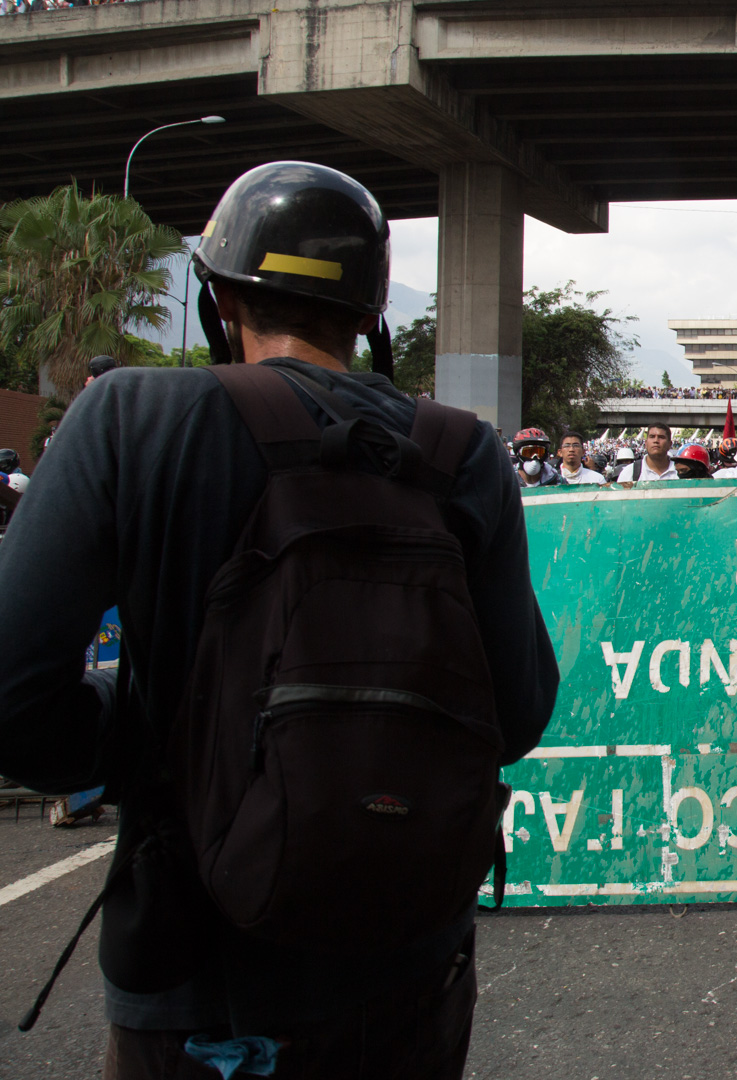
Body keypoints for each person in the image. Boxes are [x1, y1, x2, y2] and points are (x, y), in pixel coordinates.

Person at [0, 160, 558, 1077]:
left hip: (195, 967)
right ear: (373, 312)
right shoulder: (461, 453)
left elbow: (14, 702)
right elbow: (520, 709)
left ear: (220, 299)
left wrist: (136, 726)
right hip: (408, 960)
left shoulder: (130, 417)